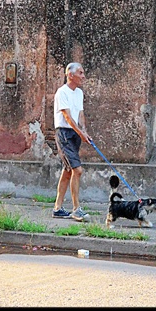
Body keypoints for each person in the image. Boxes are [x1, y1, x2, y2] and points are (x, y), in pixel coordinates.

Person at [52, 62, 91, 221]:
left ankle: (57, 208)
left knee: (68, 170)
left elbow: (80, 114)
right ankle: (76, 209)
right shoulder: (62, 92)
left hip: (75, 133)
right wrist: (80, 132)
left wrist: (84, 131)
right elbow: (67, 117)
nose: (83, 76)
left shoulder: (79, 93)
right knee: (77, 170)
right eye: (80, 73)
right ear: (70, 75)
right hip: (64, 133)